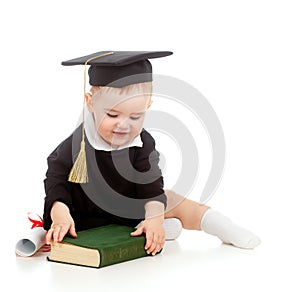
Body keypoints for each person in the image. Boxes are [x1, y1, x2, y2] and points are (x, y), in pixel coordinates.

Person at [43, 51, 261, 256]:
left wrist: (155, 216)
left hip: (129, 211)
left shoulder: (143, 143)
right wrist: (60, 213)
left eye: (136, 117)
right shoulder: (76, 143)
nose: (123, 125)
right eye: (112, 114)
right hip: (85, 218)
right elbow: (56, 180)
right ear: (90, 103)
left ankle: (222, 226)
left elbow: (151, 185)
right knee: (59, 219)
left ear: (148, 105)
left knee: (171, 199)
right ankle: (162, 229)